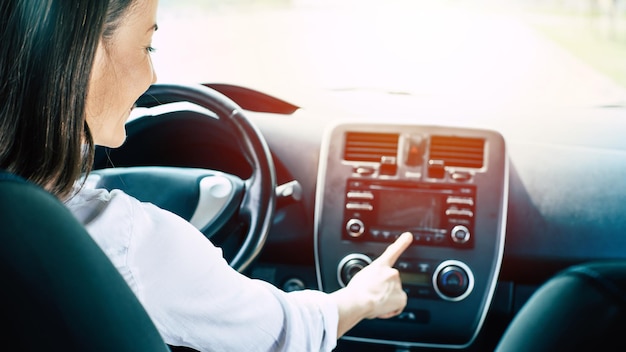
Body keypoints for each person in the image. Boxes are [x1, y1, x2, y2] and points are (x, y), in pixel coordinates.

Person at [0, 0, 413, 351]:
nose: (153, 77)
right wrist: (364, 297)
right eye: (147, 46)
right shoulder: (125, 238)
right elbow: (281, 333)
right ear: (83, 54)